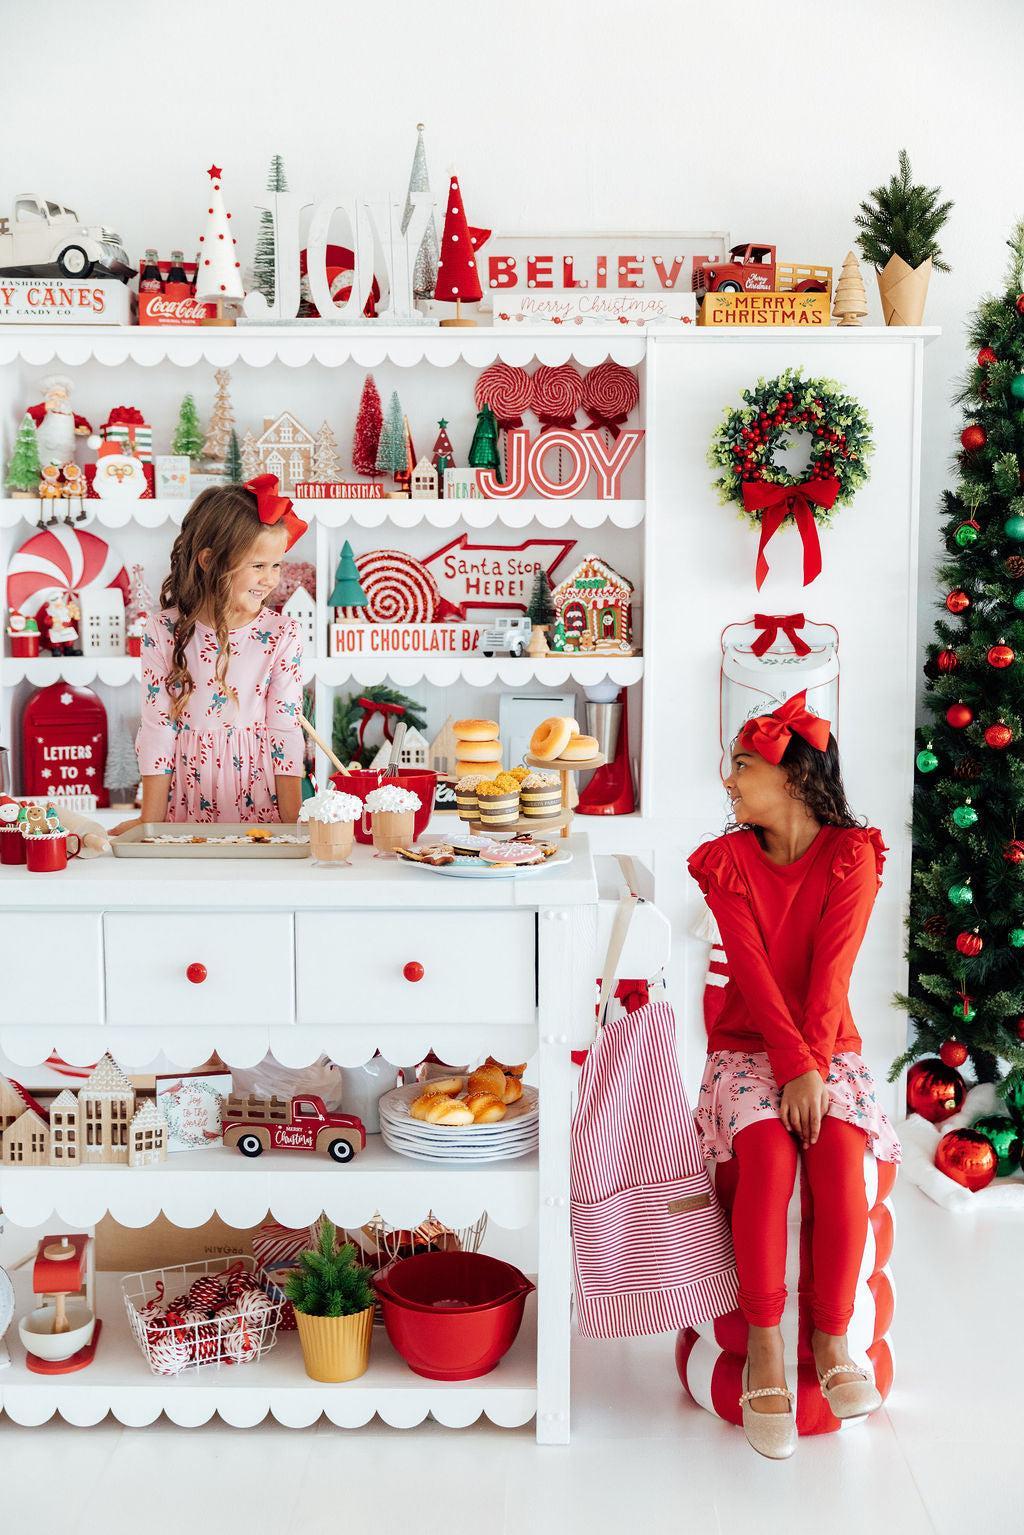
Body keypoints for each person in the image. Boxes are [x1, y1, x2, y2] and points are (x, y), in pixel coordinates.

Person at [687, 691, 901, 1460]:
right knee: (770, 1160)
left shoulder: (853, 853)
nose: (730, 781)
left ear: (796, 778)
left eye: (743, 766)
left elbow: (832, 975)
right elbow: (749, 970)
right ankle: (768, 1352)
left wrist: (811, 1071)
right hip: (748, 1046)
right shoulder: (727, 862)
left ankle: (834, 1339)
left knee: (842, 1160)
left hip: (828, 1045)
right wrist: (787, 1071)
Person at [111, 476, 308, 834]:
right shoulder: (163, 631)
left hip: (261, 805)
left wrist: (292, 826)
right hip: (184, 804)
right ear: (209, 560)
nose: (270, 580)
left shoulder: (282, 633)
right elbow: (158, 728)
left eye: (276, 565)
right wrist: (149, 824)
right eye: (258, 565)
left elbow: (285, 729)